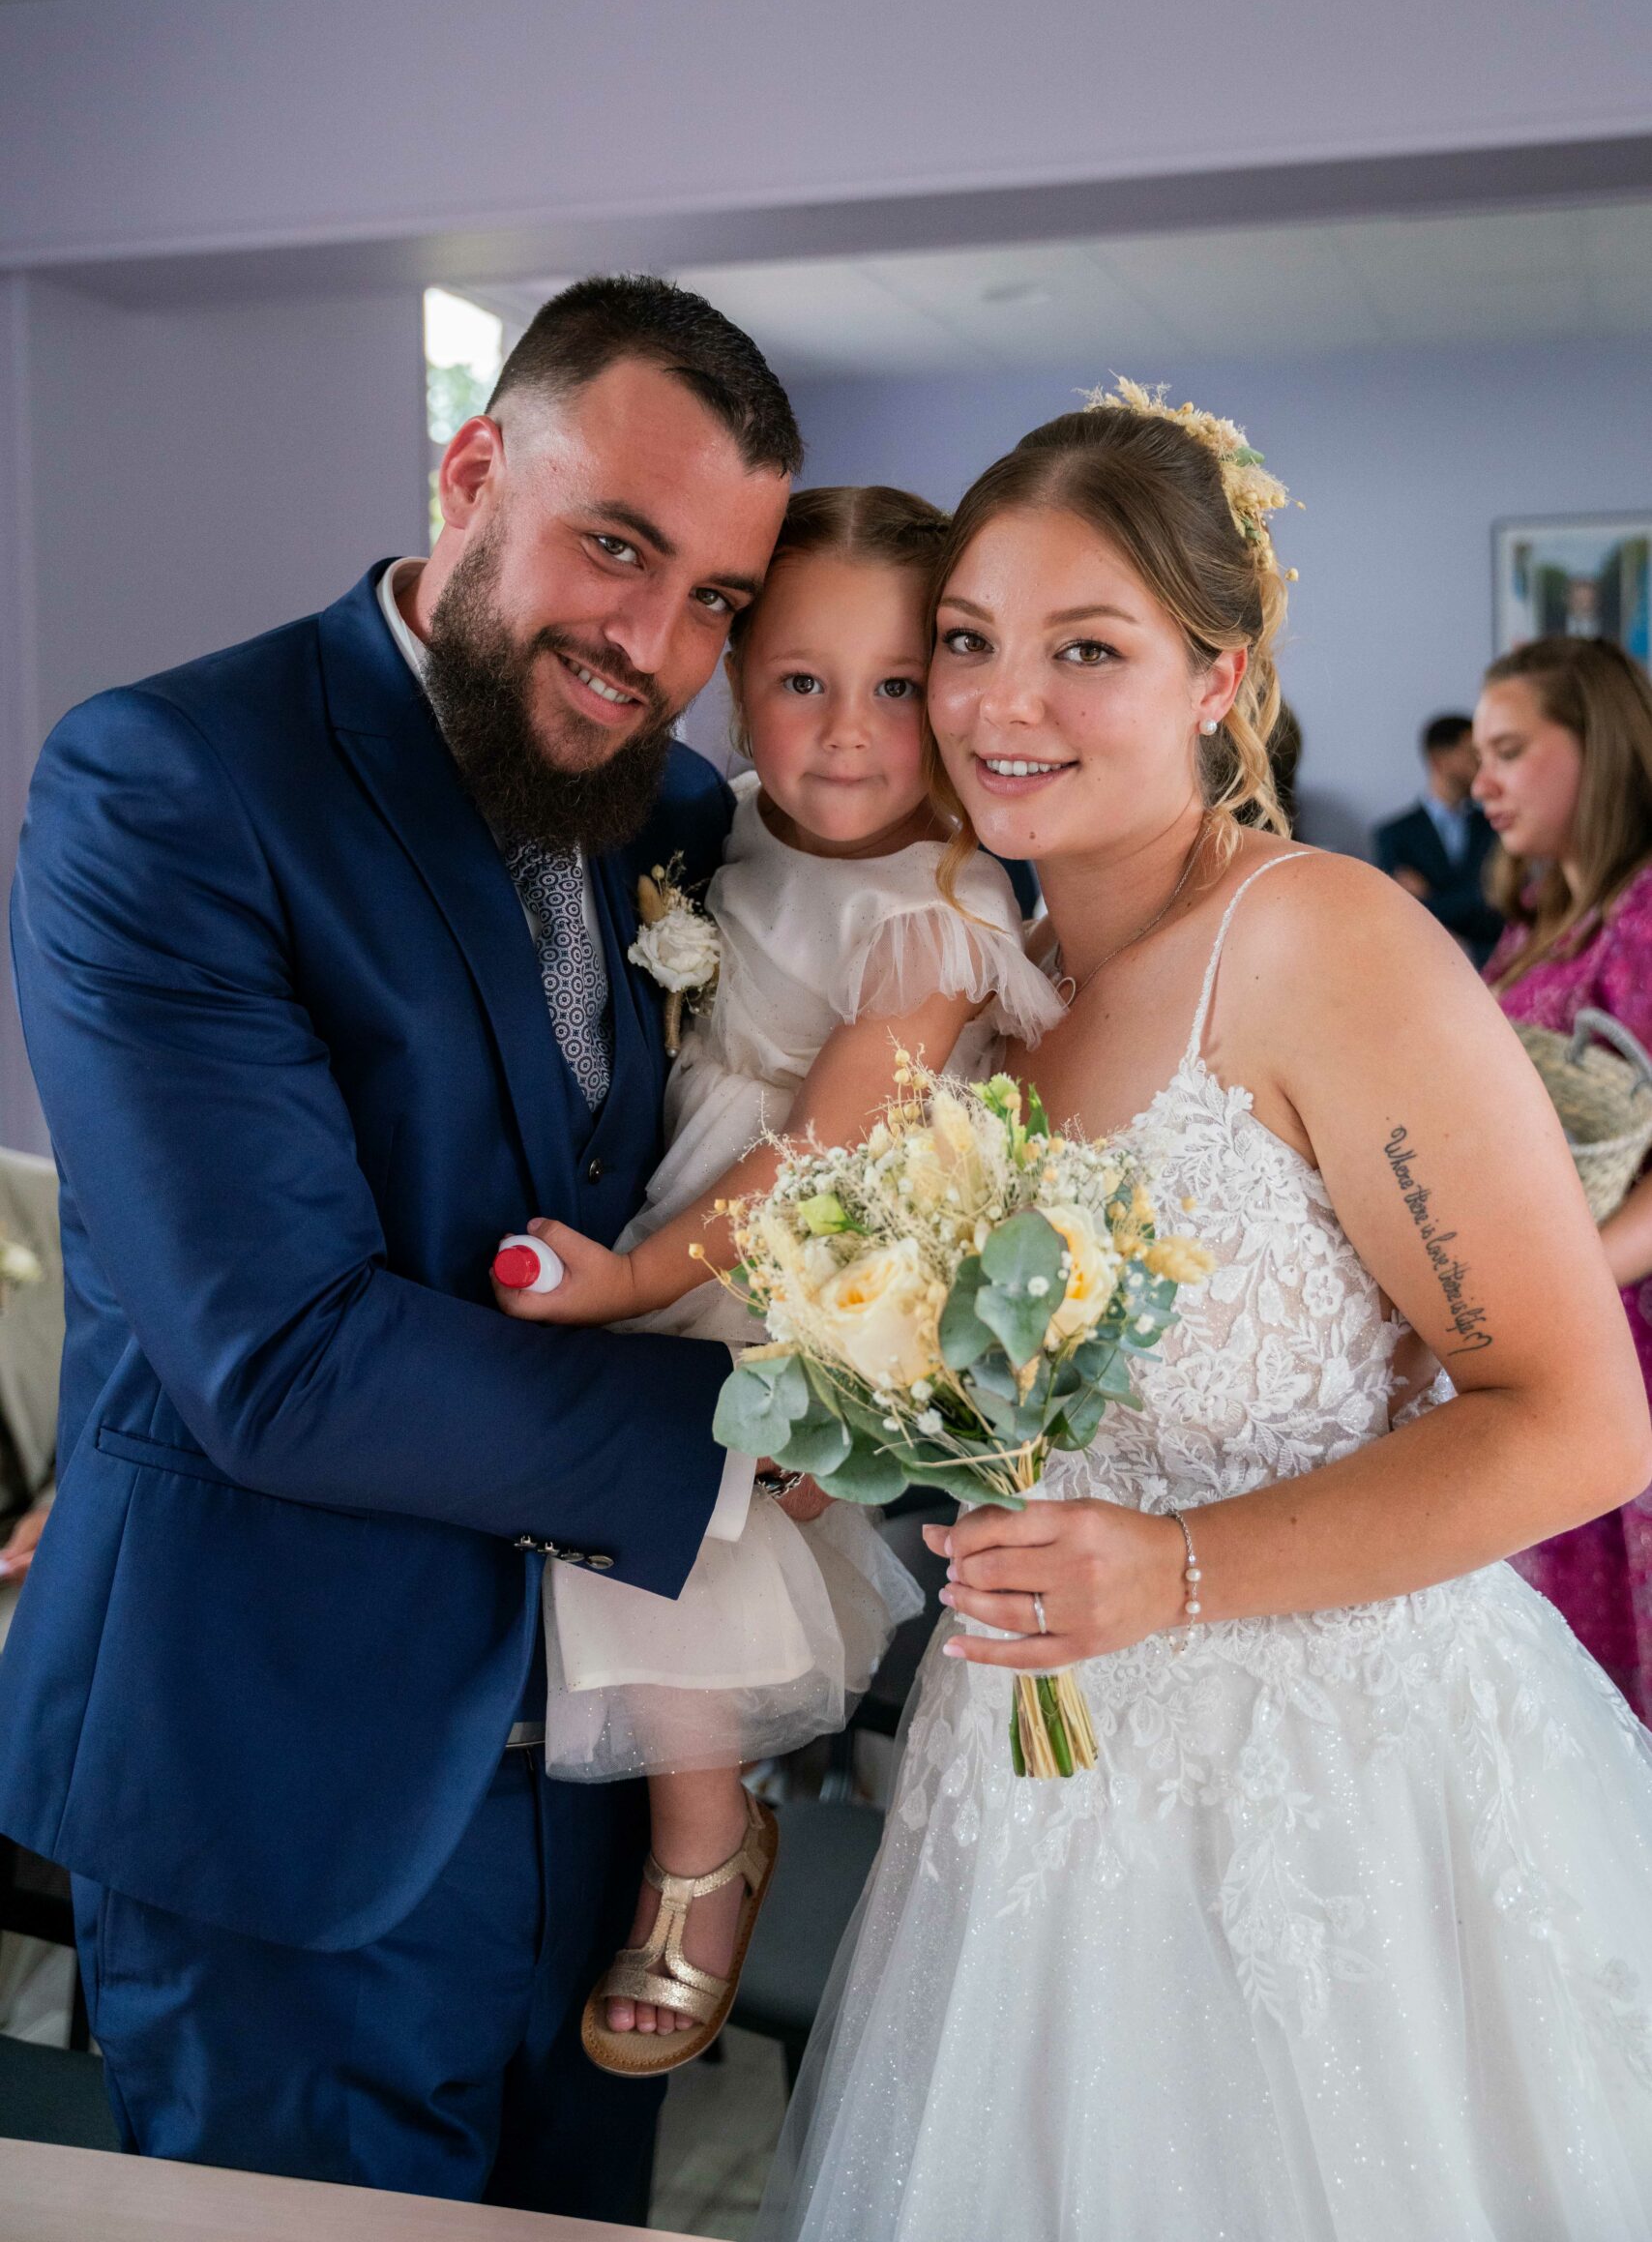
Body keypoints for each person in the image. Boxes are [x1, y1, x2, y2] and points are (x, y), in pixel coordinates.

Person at [758, 385, 1652, 2242]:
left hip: (1332, 1810)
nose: (1002, 704)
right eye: (966, 644)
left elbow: (1575, 1421)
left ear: (1214, 681)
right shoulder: (986, 986)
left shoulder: (1320, 942)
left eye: (1085, 650)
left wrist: (1172, 1574)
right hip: (1033, 1798)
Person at [0, 275, 813, 2217]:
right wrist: (752, 1433)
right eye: (615, 546)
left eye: (714, 598)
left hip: (605, 1784)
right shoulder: (173, 781)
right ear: (470, 473)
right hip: (286, 1779)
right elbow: (277, 1356)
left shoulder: (673, 813)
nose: (652, 646)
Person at [497, 486, 1057, 2077]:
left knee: (675, 1517)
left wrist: (627, 1283)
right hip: (688, 1195)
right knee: (621, 1513)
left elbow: (823, 1160)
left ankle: (704, 1850)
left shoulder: (940, 903)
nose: (849, 732)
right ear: (736, 676)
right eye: (802, 680)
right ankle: (686, 1814)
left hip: (802, 1254)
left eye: (898, 685)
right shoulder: (715, 823)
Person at [1475, 635, 1652, 1722]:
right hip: (1554, 1312)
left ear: (1601, 747)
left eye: (1509, 751)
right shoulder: (1540, 918)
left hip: (1613, 1320)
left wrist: (1554, 1286)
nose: (1480, 782)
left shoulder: (1644, 918)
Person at [1374, 712, 1502, 964]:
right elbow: (1399, 917)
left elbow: (1498, 901)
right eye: (1472, 753)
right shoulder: (1392, 835)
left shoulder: (1497, 825)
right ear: (1438, 760)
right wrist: (1476, 895)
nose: (1481, 764)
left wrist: (1429, 901)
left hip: (1492, 962)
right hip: (1422, 968)